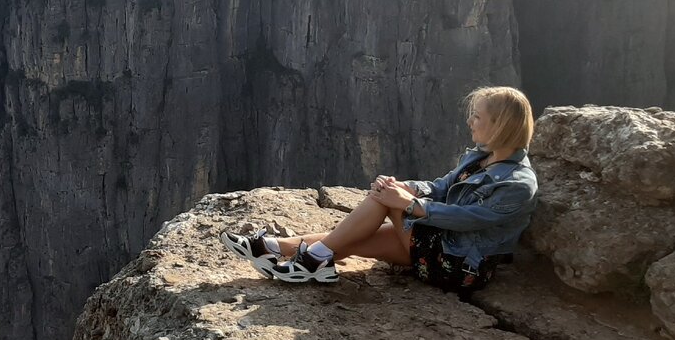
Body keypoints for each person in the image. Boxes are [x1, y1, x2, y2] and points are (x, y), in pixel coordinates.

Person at [220, 86, 537, 294]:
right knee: (360, 235)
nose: (470, 122)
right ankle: (276, 249)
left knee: (385, 201)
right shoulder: (480, 157)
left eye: (477, 117)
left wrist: (409, 204)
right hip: (434, 246)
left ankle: (300, 258)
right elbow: (441, 187)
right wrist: (407, 187)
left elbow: (469, 218)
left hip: (456, 264)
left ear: (500, 126)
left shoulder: (517, 184)